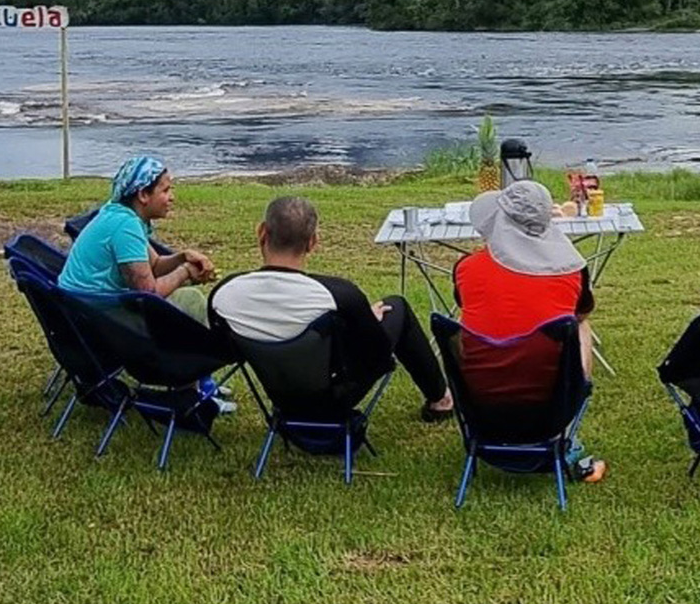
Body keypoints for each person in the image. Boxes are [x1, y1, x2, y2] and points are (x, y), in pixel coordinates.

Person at [208, 195, 453, 421]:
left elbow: (229, 351)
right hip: (335, 394)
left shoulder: (224, 294)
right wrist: (368, 321)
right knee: (396, 307)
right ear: (312, 242)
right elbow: (377, 356)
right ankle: (440, 400)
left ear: (261, 232)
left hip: (280, 395)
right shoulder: (338, 294)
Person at [453, 179, 605, 481]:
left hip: (479, 403)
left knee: (469, 317)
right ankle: (566, 430)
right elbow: (582, 312)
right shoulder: (572, 270)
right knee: (579, 323)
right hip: (551, 406)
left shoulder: (467, 268)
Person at [59, 155, 214, 323]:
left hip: (82, 307)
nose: (172, 197)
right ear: (143, 195)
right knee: (191, 299)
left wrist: (183, 256)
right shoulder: (125, 226)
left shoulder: (118, 213)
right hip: (97, 315)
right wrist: (184, 272)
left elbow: (154, 266)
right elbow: (148, 294)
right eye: (165, 190)